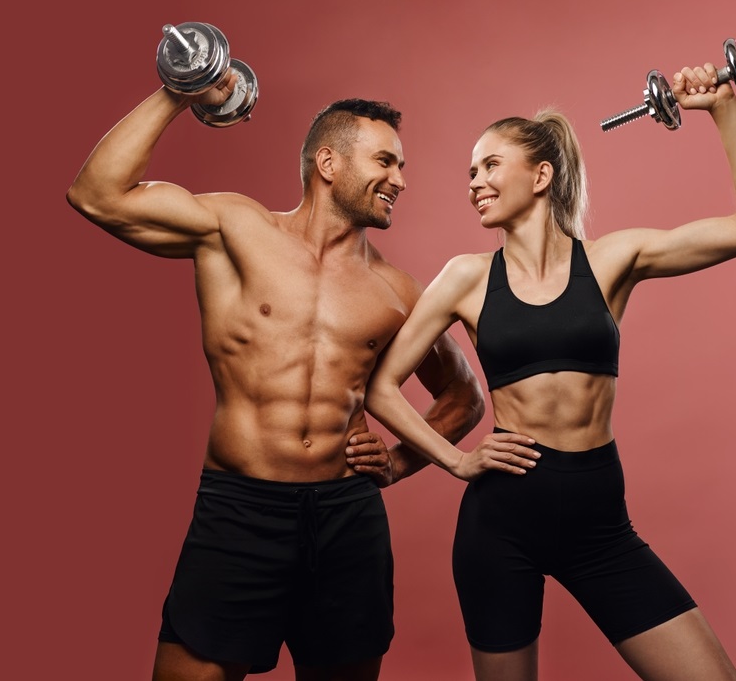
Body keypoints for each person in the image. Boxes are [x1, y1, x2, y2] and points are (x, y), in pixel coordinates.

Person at [65, 71, 529, 680]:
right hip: (240, 509)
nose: (400, 180)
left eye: (402, 166)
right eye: (385, 162)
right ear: (328, 162)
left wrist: (396, 462)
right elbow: (96, 194)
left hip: (346, 514)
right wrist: (181, 91)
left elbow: (463, 395)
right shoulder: (236, 229)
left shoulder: (395, 290)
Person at [365, 61, 736, 681]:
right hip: (500, 522)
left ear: (541, 175)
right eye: (470, 173)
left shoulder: (613, 258)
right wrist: (454, 461)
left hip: (599, 522)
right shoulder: (465, 277)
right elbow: (381, 386)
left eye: (489, 166)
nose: (475, 182)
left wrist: (723, 108)